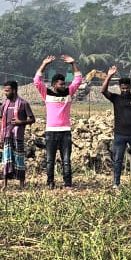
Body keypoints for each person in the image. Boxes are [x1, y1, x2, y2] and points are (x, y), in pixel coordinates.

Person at [34, 54, 83, 189]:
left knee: (66, 161)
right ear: (55, 84)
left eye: (64, 83)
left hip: (65, 132)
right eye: (61, 84)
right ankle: (50, 183)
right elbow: (37, 81)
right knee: (50, 161)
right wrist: (44, 64)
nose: (64, 85)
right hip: (51, 132)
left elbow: (78, 80)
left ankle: (68, 184)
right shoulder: (46, 94)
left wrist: (73, 64)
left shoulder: (69, 93)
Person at [0, 80, 35, 188]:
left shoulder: (23, 103)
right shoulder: (5, 103)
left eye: (7, 91)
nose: (6, 93)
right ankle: (5, 185)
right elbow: (2, 118)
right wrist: (1, 138)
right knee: (6, 160)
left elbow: (32, 119)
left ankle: (21, 185)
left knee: (19, 160)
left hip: (18, 136)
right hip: (6, 136)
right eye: (5, 91)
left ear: (14, 90)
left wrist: (21, 122)